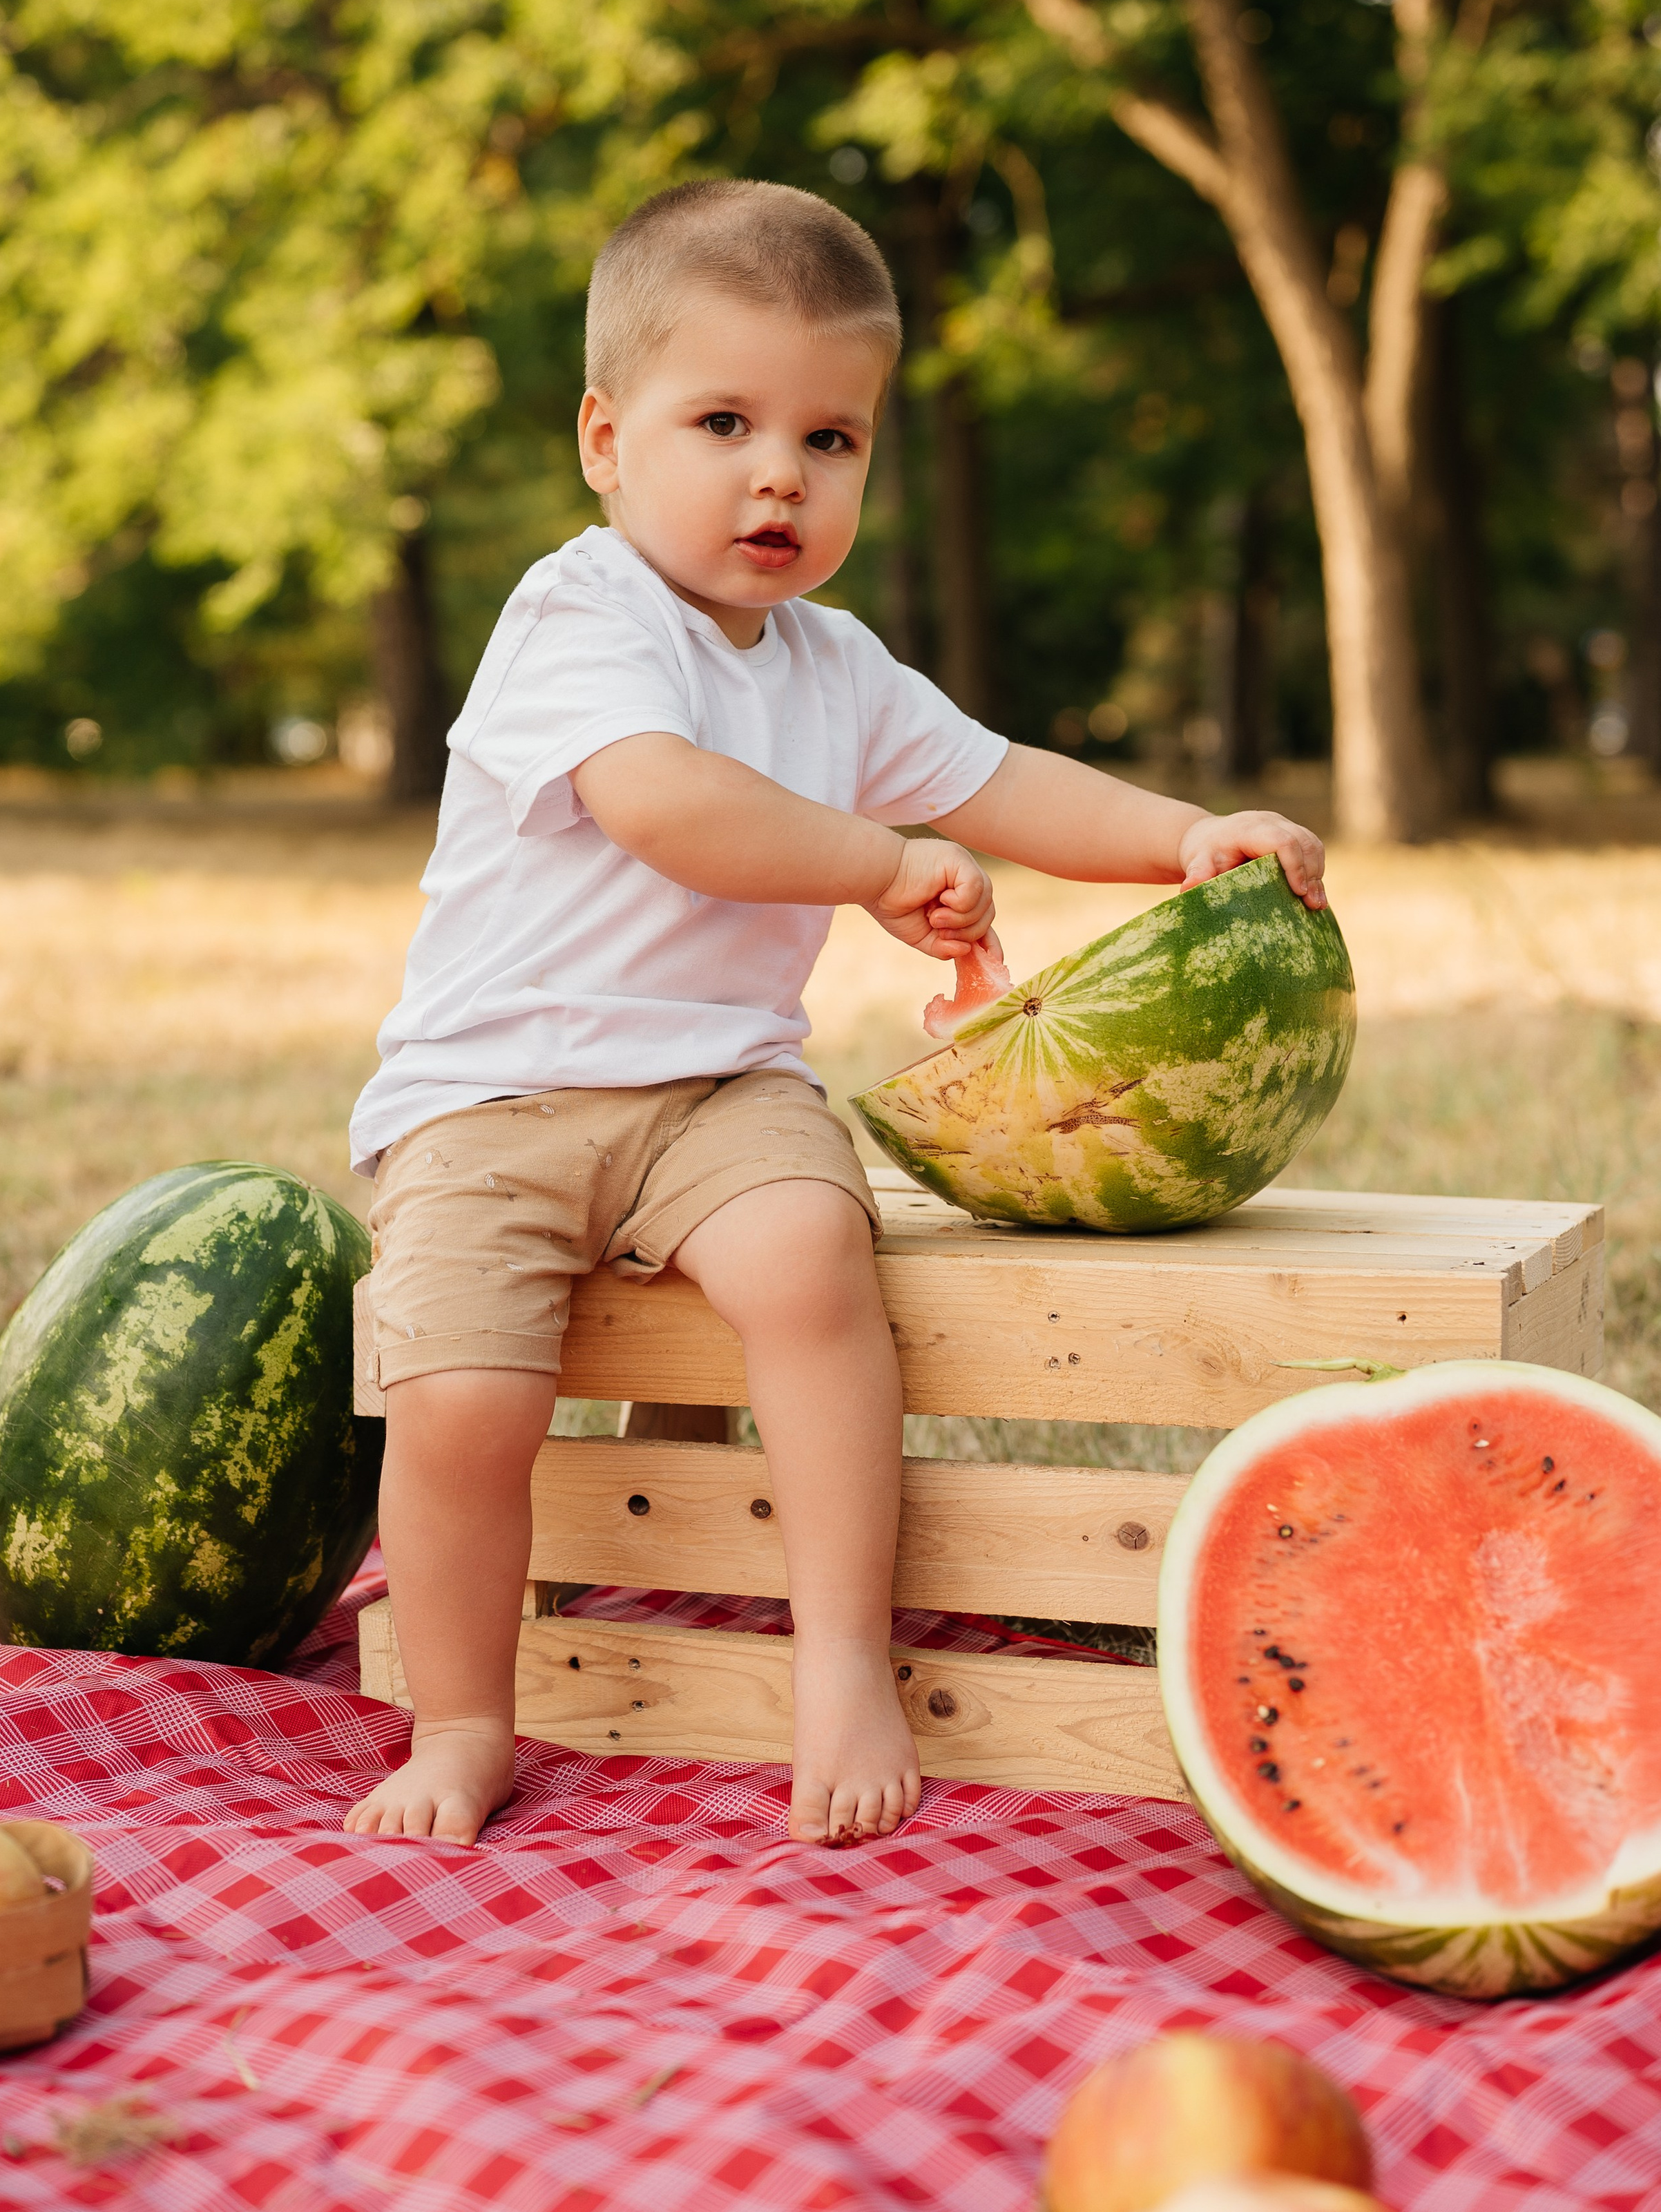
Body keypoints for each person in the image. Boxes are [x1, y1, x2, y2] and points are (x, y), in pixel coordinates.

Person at [343, 180, 1327, 1851]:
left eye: (831, 436)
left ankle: (843, 1659)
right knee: (460, 1403)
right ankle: (459, 1717)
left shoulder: (834, 666)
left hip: (715, 1092)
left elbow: (1004, 780)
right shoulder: (578, 616)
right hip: (490, 1098)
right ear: (602, 435)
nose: (777, 473)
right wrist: (873, 861)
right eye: (720, 420)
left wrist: (1178, 839)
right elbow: (664, 803)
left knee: (810, 1258)